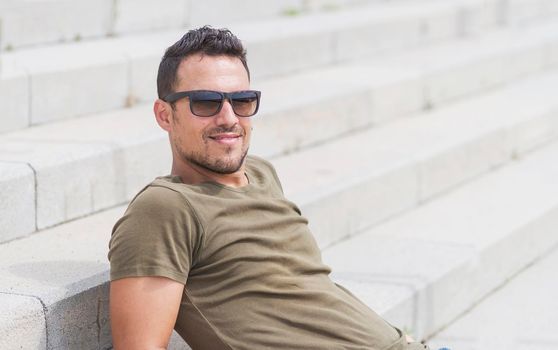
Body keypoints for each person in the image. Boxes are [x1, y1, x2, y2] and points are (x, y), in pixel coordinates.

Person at [108, 26, 431, 350]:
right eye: (205, 103)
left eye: (242, 101)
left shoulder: (261, 173)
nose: (228, 118)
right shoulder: (165, 209)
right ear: (165, 115)